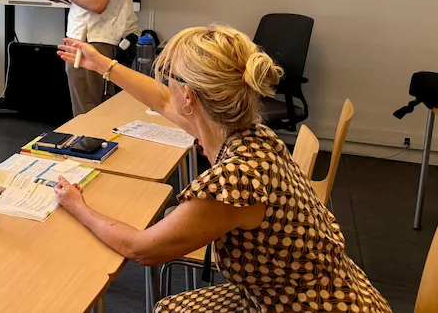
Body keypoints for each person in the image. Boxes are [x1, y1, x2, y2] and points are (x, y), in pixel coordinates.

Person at [54, 25, 392, 313]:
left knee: (170, 308)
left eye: (170, 78)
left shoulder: (232, 182)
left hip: (302, 305)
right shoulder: (253, 134)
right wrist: (102, 64)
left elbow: (141, 249)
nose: (166, 88)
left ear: (189, 97)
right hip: (318, 292)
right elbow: (161, 101)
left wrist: (78, 207)